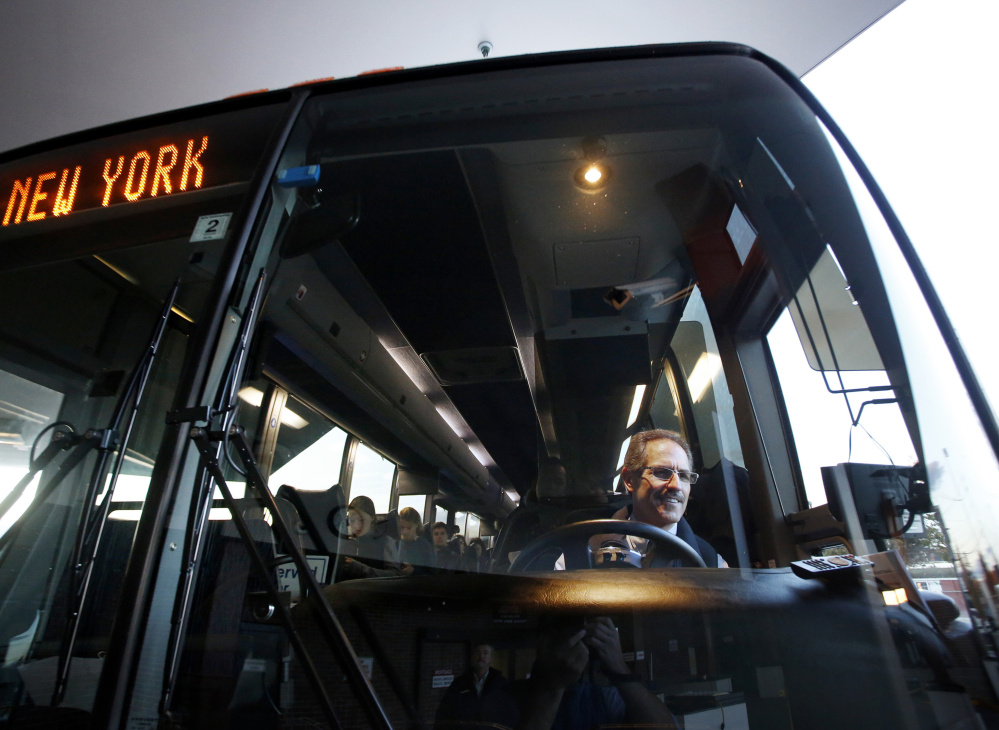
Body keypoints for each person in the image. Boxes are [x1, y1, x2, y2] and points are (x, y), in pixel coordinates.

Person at [596, 429, 726, 568]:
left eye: (683, 476)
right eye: (662, 472)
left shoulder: (710, 561)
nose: (676, 486)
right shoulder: (587, 547)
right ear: (629, 480)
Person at [519, 617, 677, 730]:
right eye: (558, 635)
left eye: (575, 634)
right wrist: (554, 685)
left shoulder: (600, 699)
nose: (569, 645)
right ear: (541, 643)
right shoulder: (506, 698)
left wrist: (618, 667)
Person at [434, 642, 519, 730]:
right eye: (478, 653)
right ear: (473, 657)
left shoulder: (501, 684)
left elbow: (510, 715)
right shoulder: (459, 684)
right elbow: (444, 713)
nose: (481, 656)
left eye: (485, 653)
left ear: (491, 659)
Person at [341, 495, 401, 579]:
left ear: (372, 518)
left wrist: (361, 569)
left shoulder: (385, 542)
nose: (357, 525)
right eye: (352, 520)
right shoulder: (343, 540)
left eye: (362, 520)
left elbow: (395, 575)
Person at [398, 506, 436, 575]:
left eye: (409, 528)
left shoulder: (425, 546)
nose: (404, 532)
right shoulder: (395, 543)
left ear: (416, 526)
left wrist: (414, 571)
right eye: (402, 527)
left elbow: (432, 575)